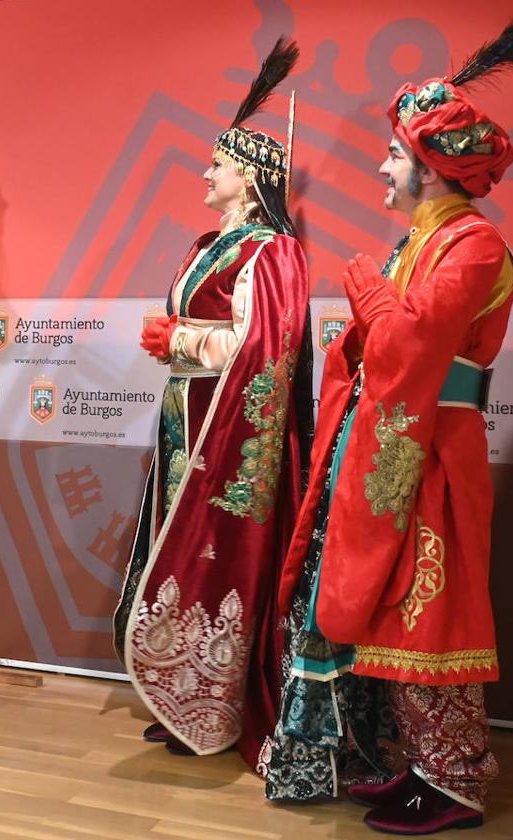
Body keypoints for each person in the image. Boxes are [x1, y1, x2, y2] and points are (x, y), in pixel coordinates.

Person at [261, 8, 513, 834]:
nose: (382, 169)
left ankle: (456, 781)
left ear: (430, 167)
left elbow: (411, 347)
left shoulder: (474, 245)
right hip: (393, 445)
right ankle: (419, 765)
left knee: (435, 610)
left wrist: (361, 282)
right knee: (396, 609)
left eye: (394, 154)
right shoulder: (418, 245)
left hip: (437, 452)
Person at [113, 38, 313, 769]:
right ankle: (179, 695)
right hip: (182, 420)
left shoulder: (271, 253)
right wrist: (177, 344)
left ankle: (219, 699)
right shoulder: (211, 244)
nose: (206, 171)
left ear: (251, 180)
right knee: (178, 548)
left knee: (212, 555)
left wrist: (185, 339)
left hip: (222, 427)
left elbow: (266, 346)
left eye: (219, 165)